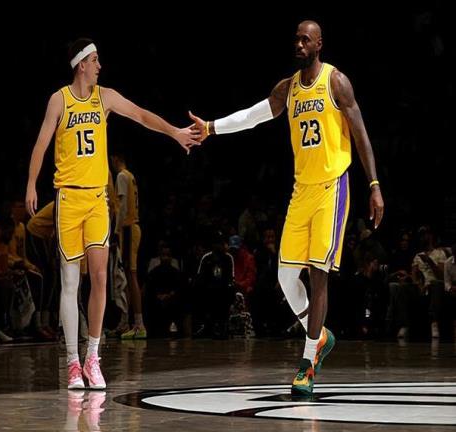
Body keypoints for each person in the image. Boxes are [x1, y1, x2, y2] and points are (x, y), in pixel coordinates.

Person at [189, 20, 384, 396]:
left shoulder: (336, 82)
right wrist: (211, 127)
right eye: (296, 39)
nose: (298, 44)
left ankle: (307, 364)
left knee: (318, 273)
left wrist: (374, 185)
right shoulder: (288, 88)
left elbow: (360, 133)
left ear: (319, 44)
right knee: (284, 276)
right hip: (302, 190)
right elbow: (252, 116)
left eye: (305, 39)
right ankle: (319, 335)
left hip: (332, 187)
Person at [26, 38, 200, 390]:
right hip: (68, 198)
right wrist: (31, 183)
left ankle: (93, 357)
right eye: (95, 60)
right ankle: (72, 362)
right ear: (81, 65)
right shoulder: (59, 100)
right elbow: (41, 143)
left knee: (100, 277)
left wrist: (174, 132)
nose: (99, 66)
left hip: (96, 200)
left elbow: (140, 114)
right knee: (70, 282)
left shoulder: (104, 97)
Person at [110, 151, 146, 339]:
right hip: (131, 228)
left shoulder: (122, 176)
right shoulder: (130, 176)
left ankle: (139, 324)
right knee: (126, 276)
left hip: (128, 228)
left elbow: (122, 206)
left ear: (116, 158)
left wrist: (116, 230)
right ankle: (127, 322)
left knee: (130, 276)